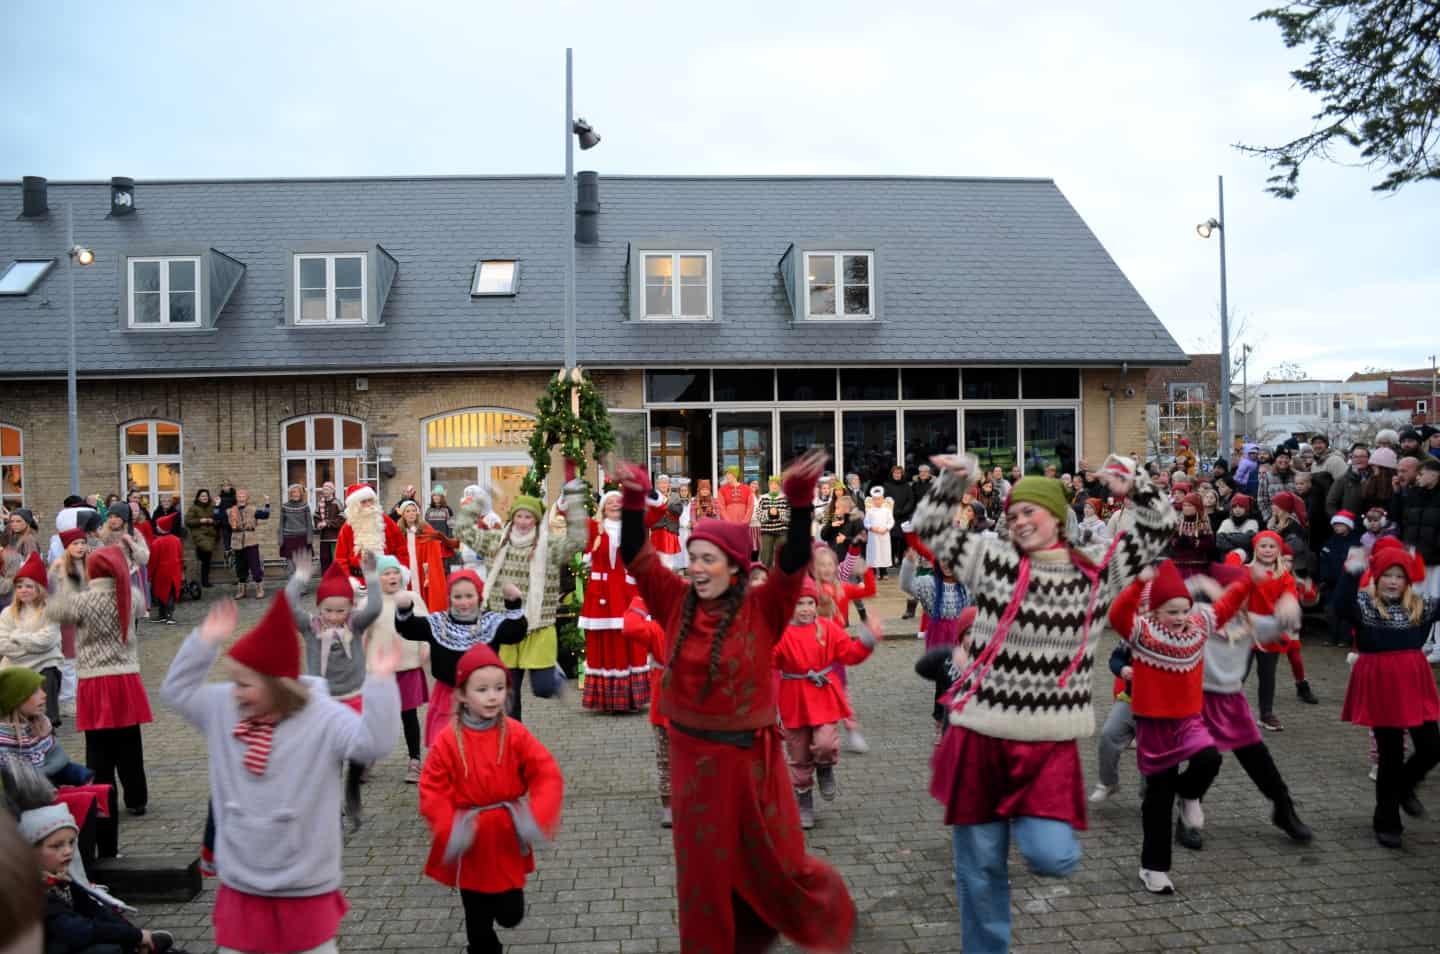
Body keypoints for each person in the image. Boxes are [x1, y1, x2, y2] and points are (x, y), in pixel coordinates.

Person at [913, 452, 1176, 952]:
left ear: (1058, 517)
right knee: (981, 866)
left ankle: (1027, 822)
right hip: (979, 736)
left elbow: (1159, 529)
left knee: (1052, 857)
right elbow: (930, 527)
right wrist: (955, 478)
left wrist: (1134, 483)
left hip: (1045, 744)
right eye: (1012, 514)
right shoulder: (991, 563)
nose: (1019, 520)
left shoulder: (1095, 576)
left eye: (1030, 511)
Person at [616, 450, 857, 953]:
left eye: (709, 559)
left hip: (752, 761)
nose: (697, 567)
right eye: (694, 557)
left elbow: (792, 560)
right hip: (694, 764)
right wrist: (636, 497)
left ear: (734, 566)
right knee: (703, 877)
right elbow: (636, 554)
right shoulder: (674, 599)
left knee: (775, 863)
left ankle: (797, 919)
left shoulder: (762, 608)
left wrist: (799, 502)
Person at [161, 592, 401, 954]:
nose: (236, 692)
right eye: (234, 681)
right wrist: (204, 640)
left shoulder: (323, 716)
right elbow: (175, 692)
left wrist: (381, 685)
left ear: (278, 685)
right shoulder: (223, 707)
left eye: (246, 684)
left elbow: (373, 744)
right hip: (242, 882)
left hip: (305, 882)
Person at [1107, 561, 1251, 894]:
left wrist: (1250, 579)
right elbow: (1117, 614)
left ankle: (1188, 795)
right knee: (1157, 796)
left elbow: (1227, 605)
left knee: (1209, 759)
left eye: (1185, 609)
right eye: (1172, 611)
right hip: (1154, 724)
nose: (1181, 616)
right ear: (1155, 611)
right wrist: (1137, 583)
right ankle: (1153, 868)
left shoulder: (1198, 625)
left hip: (1188, 719)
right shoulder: (1141, 630)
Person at [418, 644, 563, 954]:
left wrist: (537, 815)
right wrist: (449, 828)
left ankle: (501, 916)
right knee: (477, 920)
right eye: (482, 689)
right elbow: (432, 788)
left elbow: (545, 771)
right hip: (470, 840)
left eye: (499, 687)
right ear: (462, 695)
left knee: (510, 915)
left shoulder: (515, 732)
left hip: (507, 835)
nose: (492, 696)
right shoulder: (447, 740)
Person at [1195, 563, 1314, 845]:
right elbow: (1162, 601)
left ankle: (1284, 809)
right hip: (1199, 701)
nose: (1241, 599)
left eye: (1245, 593)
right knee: (1203, 761)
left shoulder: (1249, 622)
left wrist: (1290, 599)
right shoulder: (1199, 616)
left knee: (1258, 757)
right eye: (1234, 592)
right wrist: (1199, 581)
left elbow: (1287, 623)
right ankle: (1187, 813)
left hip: (1233, 701)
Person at [1335, 541, 1440, 848]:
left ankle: (1405, 787)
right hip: (1380, 684)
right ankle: (1387, 820)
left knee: (1432, 747)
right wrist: (1351, 571)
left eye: (1399, 576)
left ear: (1407, 580)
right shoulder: (1365, 605)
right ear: (1377, 577)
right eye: (1387, 575)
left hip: (1414, 682)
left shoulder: (1420, 605)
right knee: (1390, 754)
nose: (1393, 581)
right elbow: (1340, 606)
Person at [459, 486, 588, 720]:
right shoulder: (495, 542)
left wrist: (575, 504)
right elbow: (462, 529)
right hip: (506, 626)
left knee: (543, 688)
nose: (523, 521)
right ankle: (511, 738)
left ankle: (554, 679)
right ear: (513, 517)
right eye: (519, 516)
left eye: (528, 517)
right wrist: (481, 500)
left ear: (536, 520)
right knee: (508, 693)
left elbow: (578, 541)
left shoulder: (550, 547)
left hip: (538, 625)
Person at [46, 546, 151, 817]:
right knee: (130, 742)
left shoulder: (83, 600)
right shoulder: (130, 595)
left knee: (99, 745)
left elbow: (56, 610)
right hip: (126, 675)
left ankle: (105, 798)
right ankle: (137, 799)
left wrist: (64, 578)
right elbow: (139, 603)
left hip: (94, 678)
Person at [774, 577, 879, 829]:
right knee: (797, 755)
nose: (805, 608)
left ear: (816, 603)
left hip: (822, 696)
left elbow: (849, 654)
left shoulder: (828, 629)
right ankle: (804, 801)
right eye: (799, 603)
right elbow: (767, 665)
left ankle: (824, 766)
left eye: (809, 602)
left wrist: (866, 640)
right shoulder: (781, 634)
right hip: (793, 698)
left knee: (824, 742)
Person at [21, 805, 178, 954]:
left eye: (71, 842)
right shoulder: (31, 891)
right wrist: (135, 936)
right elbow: (79, 931)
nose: (68, 851)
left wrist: (136, 936)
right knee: (108, 949)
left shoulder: (60, 880)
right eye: (57, 846)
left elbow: (95, 910)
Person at [395, 570, 527, 746]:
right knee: (447, 746)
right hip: (447, 697)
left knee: (482, 746)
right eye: (457, 597)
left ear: (479, 596)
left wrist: (513, 604)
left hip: (483, 696)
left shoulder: (490, 622)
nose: (464, 602)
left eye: (469, 596)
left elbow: (514, 633)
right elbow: (410, 628)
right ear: (449, 598)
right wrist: (405, 609)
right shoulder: (439, 622)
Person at [579, 491, 646, 713]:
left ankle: (630, 697)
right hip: (602, 594)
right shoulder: (593, 527)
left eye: (619, 501)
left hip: (627, 591)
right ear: (602, 507)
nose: (615, 505)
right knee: (606, 640)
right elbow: (565, 515)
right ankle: (608, 699)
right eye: (610, 502)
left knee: (631, 637)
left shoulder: (634, 528)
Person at [365, 555, 429, 782]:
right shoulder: (370, 602)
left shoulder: (411, 597)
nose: (392, 577)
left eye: (395, 572)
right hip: (379, 671)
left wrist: (425, 645)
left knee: (408, 715)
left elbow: (426, 623)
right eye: (386, 573)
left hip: (407, 666)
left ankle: (414, 760)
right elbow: (360, 633)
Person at [899, 542, 974, 737]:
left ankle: (960, 719)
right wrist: (908, 564)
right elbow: (906, 585)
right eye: (943, 560)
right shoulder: (929, 584)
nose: (947, 564)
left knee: (962, 679)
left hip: (962, 637)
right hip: (939, 639)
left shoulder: (966, 586)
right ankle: (941, 721)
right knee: (944, 682)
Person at [618, 594, 673, 825]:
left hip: (676, 705)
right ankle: (675, 804)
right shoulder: (659, 629)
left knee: (668, 759)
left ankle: (673, 805)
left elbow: (630, 626)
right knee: (673, 758)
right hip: (679, 706)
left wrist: (641, 600)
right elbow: (630, 628)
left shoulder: (658, 628)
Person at [0, 554, 62, 726]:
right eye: (19, 586)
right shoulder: (7, 613)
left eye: (29, 586)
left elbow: (47, 640)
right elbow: (2, 644)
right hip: (15, 669)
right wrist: (32, 647)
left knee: (47, 675)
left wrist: (18, 637)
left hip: (44, 666)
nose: (23, 590)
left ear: (39, 588)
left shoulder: (50, 610)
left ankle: (47, 730)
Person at [1392, 458, 1440, 661]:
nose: (1417, 478)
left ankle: (1437, 645)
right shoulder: (1414, 494)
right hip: (1417, 554)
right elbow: (1399, 518)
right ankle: (1422, 642)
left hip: (1437, 557)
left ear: (1434, 474)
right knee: (1418, 599)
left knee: (1437, 600)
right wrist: (1396, 493)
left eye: (1421, 474)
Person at [333, 483, 403, 584]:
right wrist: (349, 581)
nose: (369, 504)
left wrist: (401, 572)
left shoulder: (386, 521)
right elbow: (340, 558)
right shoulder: (348, 527)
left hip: (387, 581)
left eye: (371, 500)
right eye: (364, 502)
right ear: (355, 506)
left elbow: (401, 549)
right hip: (359, 582)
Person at [394, 499, 454, 613]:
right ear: (403, 514)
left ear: (417, 513)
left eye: (413, 511)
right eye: (408, 511)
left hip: (422, 571)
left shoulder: (425, 529)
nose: (411, 513)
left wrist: (429, 569)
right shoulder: (399, 532)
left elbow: (434, 548)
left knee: (423, 599)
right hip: (407, 571)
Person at [226, 489, 271, 600]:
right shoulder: (231, 510)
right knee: (240, 567)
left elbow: (265, 515)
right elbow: (219, 519)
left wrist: (267, 503)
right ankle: (242, 590)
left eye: (243, 496)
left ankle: (259, 589)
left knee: (255, 565)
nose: (241, 497)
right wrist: (217, 506)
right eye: (239, 496)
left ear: (247, 498)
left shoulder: (252, 509)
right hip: (237, 541)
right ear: (237, 498)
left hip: (250, 540)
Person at [147, 514, 185, 625]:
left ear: (161, 527)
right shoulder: (177, 540)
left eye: (158, 525)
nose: (156, 526)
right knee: (170, 594)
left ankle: (165, 615)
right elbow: (180, 555)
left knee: (161, 594)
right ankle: (166, 615)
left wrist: (149, 574)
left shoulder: (156, 542)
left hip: (161, 573)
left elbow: (153, 561)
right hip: (174, 571)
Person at [646, 475, 686, 572]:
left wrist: (667, 501)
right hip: (657, 530)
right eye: (661, 483)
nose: (663, 485)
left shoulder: (675, 496)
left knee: (669, 559)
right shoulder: (653, 496)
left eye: (665, 483)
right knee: (657, 557)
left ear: (669, 485)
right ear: (657, 485)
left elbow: (678, 511)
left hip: (670, 530)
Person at [277, 484, 313, 578]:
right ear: (290, 494)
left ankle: (302, 588)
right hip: (288, 538)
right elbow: (281, 524)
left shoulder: (305, 506)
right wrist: (280, 539)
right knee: (291, 566)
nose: (295, 494)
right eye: (293, 492)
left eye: (297, 492)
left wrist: (310, 539)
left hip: (302, 538)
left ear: (301, 494)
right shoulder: (285, 506)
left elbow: (309, 523)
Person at [755, 475, 789, 568]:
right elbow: (759, 516)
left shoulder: (785, 498)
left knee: (781, 557)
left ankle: (780, 577)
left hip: (782, 531)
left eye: (776, 484)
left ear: (779, 486)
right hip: (767, 531)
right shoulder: (763, 498)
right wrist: (769, 513)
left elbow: (789, 517)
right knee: (766, 558)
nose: (774, 486)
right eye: (772, 484)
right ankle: (765, 577)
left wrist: (778, 513)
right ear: (769, 486)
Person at [186, 490, 219, 588]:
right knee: (206, 550)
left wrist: (212, 521)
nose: (204, 497)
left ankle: (205, 581)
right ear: (198, 497)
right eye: (202, 496)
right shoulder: (194, 508)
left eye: (206, 496)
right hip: (200, 534)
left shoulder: (212, 507)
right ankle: (203, 580)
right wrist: (200, 520)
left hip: (211, 535)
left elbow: (218, 520)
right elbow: (188, 521)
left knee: (207, 560)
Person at [863, 488, 895, 578]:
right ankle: (873, 571)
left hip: (884, 535)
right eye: (875, 499)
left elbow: (891, 521)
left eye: (879, 499)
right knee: (874, 553)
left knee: (883, 553)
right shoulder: (870, 511)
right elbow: (866, 522)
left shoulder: (887, 511)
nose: (877, 501)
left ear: (883, 500)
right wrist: (871, 528)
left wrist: (886, 528)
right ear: (873, 500)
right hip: (873, 536)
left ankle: (883, 572)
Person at [313, 482, 343, 574]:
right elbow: (316, 516)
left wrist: (327, 523)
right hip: (324, 538)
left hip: (335, 538)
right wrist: (318, 524)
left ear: (332, 491)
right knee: (324, 561)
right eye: (323, 489)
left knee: (335, 561)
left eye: (327, 489)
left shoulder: (337, 503)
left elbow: (342, 518)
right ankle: (325, 582)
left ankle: (337, 581)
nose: (324, 491)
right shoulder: (320, 503)